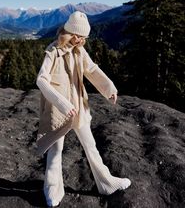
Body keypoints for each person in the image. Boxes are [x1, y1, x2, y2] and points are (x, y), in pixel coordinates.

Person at [36, 11, 131, 207]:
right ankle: (52, 188)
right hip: (59, 110)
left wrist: (109, 88)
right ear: (69, 32)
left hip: (79, 106)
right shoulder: (53, 51)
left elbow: (92, 69)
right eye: (78, 36)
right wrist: (61, 103)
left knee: (91, 146)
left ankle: (106, 182)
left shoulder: (80, 51)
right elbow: (41, 80)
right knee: (56, 149)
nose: (81, 40)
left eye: (84, 38)